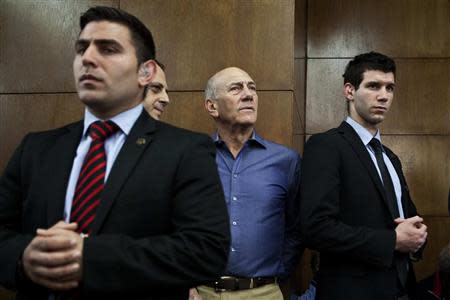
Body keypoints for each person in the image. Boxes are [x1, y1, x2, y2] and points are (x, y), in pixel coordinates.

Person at [0, 6, 230, 300]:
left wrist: (89, 256)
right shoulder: (36, 149)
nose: (88, 58)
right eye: (81, 48)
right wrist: (23, 257)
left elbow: (206, 251)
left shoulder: (185, 151)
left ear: (145, 72)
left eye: (108, 49)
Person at [299, 52, 427, 300]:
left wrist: (419, 236)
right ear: (349, 91)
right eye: (373, 86)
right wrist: (391, 241)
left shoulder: (390, 158)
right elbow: (315, 228)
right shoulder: (326, 146)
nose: (384, 95)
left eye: (390, 87)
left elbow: (406, 219)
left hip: (402, 289)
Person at [193, 67, 303, 300]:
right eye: (236, 88)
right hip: (201, 293)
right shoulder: (191, 158)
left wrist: (277, 274)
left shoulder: (286, 161)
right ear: (212, 106)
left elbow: (296, 227)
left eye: (252, 88)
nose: (248, 94)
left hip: (263, 293)